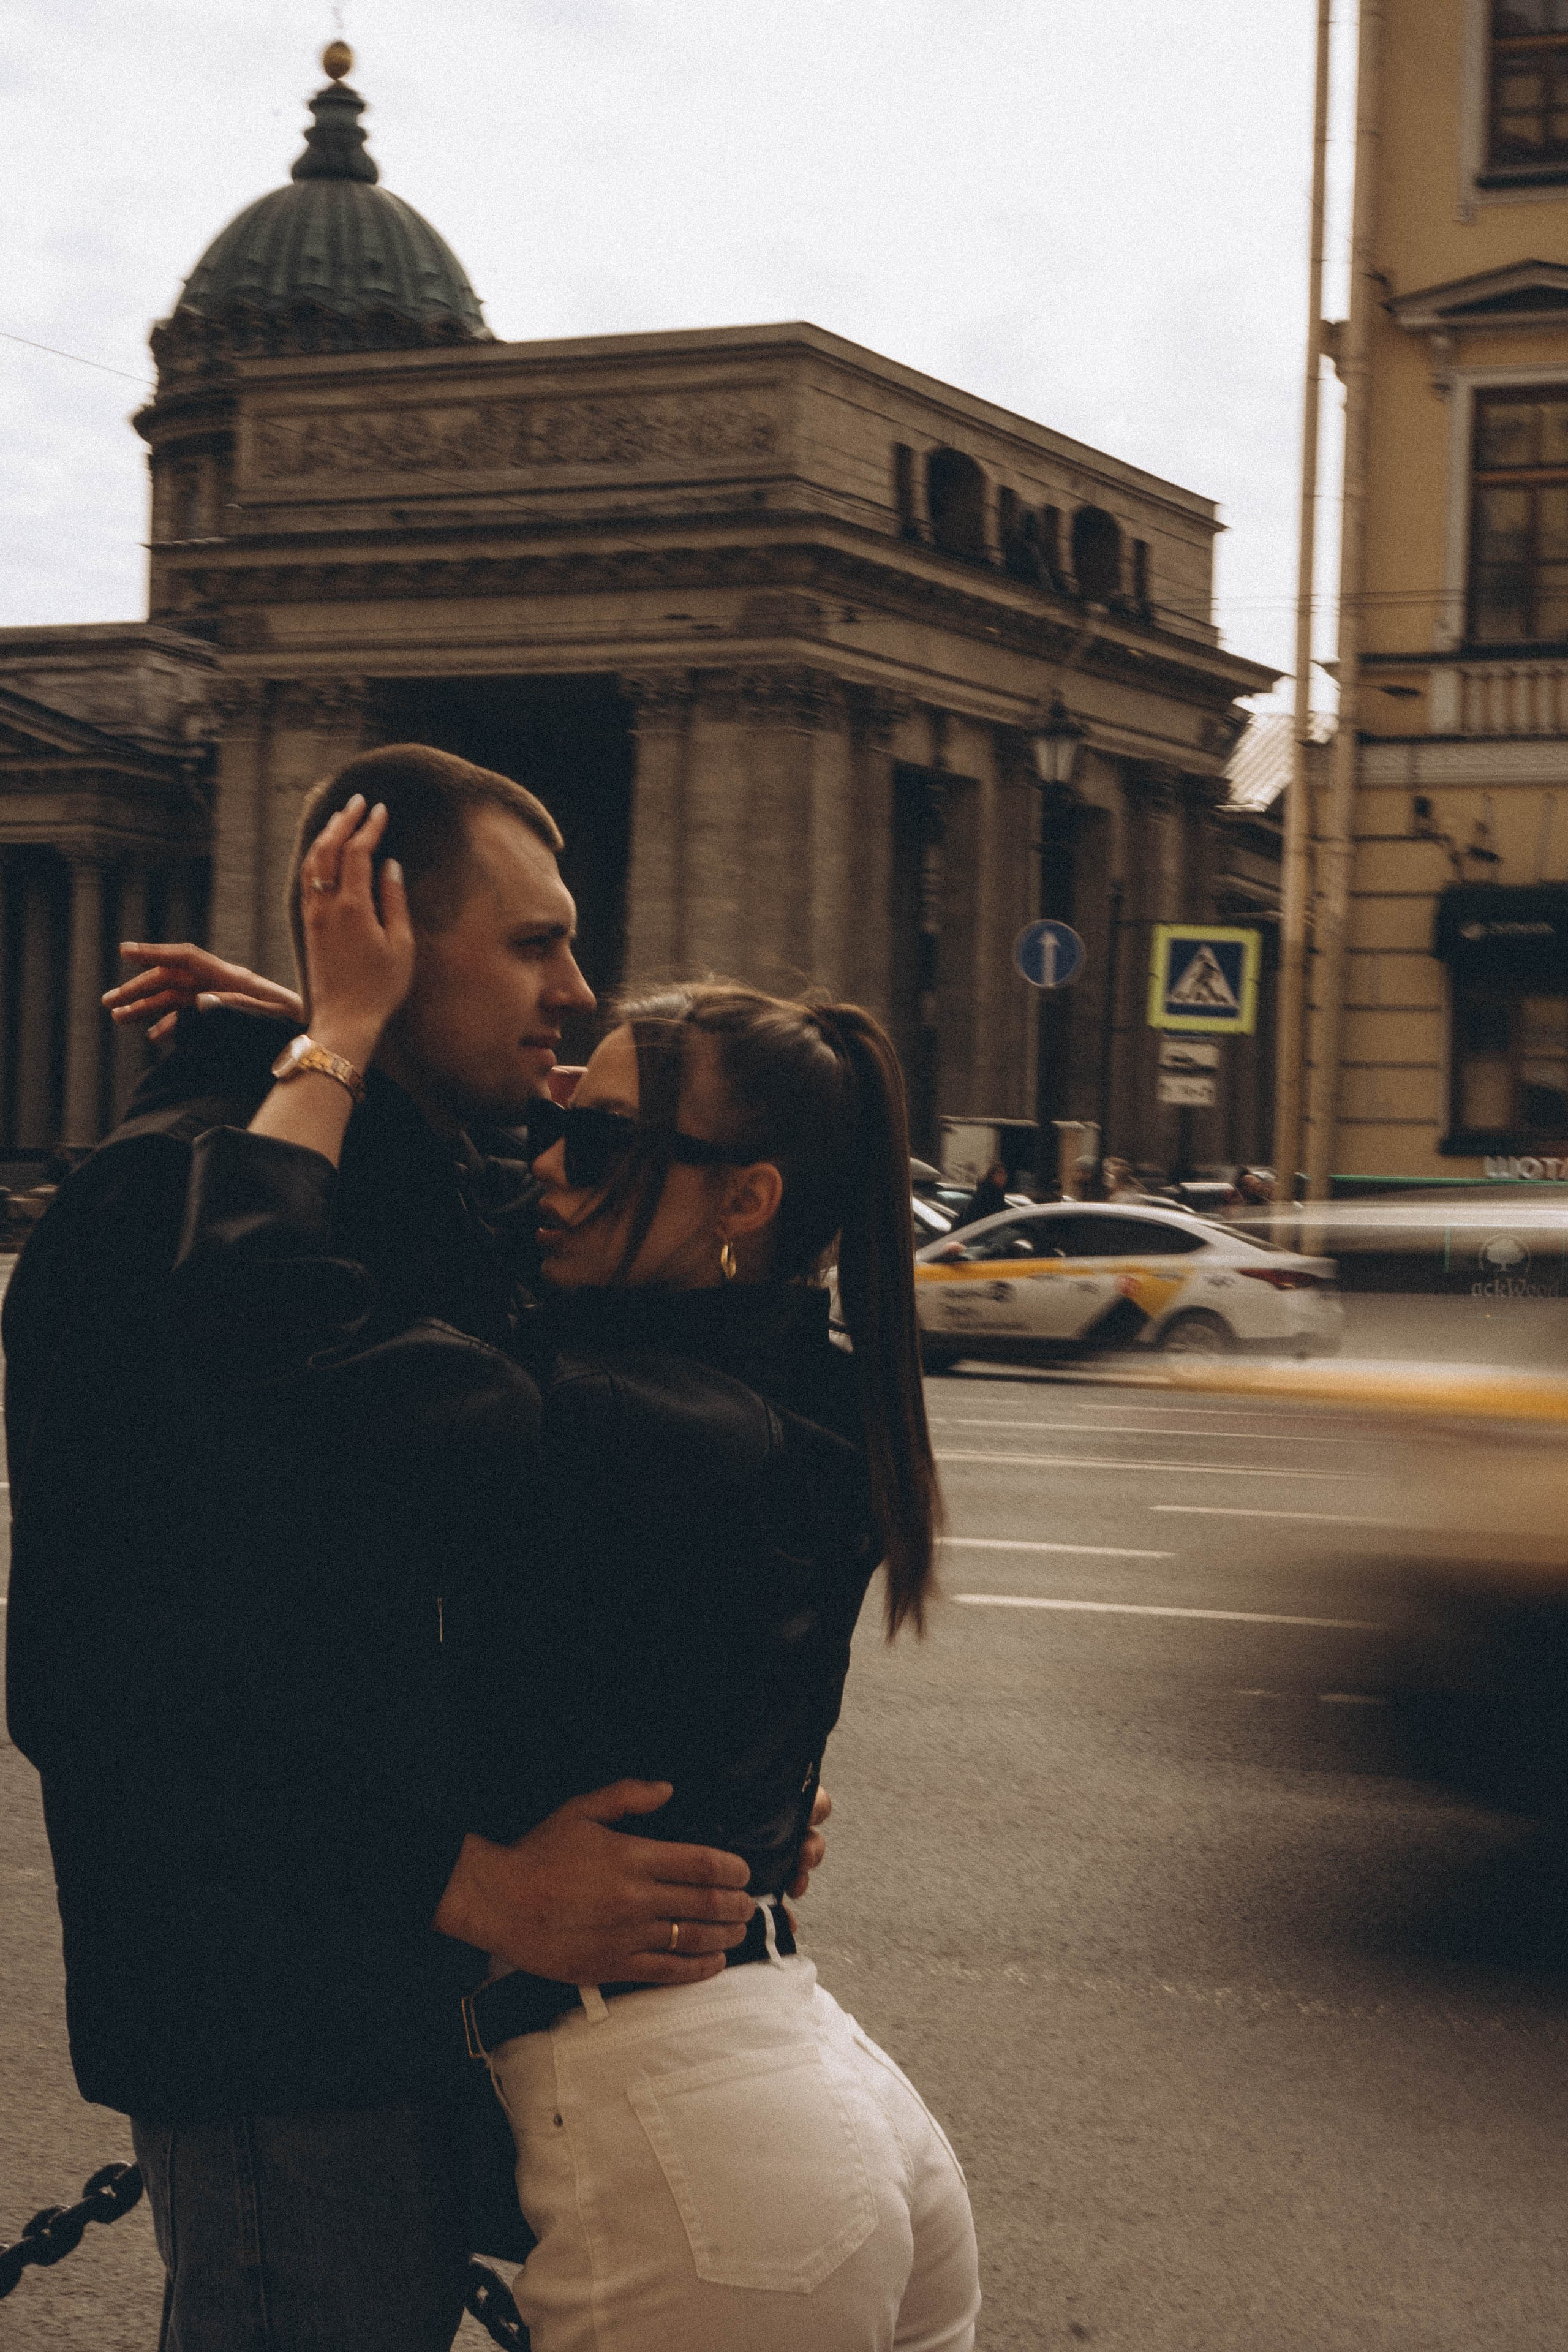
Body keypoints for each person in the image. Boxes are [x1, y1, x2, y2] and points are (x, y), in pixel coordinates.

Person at [4, 747, 823, 2352]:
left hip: (419, 2011)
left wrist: (711, 1767)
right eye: (534, 945)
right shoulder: (158, 1210)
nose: (578, 994)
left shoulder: (396, 1193)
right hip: (277, 2032)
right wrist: (467, 1888)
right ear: (378, 928)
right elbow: (100, 1685)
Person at [167, 805, 982, 2351]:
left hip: (689, 2144)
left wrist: (335, 1041)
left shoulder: (621, 1421)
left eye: (596, 1138)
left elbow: (255, 1306)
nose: (544, 1154)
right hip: (800, 2083)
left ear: (743, 1200)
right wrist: (363, 1039)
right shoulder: (779, 1385)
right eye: (555, 1109)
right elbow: (491, 1232)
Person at [952, 1158, 1009, 1229]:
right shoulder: (987, 1194)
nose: (1004, 1177)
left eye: (1005, 1173)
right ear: (993, 1175)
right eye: (1000, 1173)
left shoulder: (997, 1193)